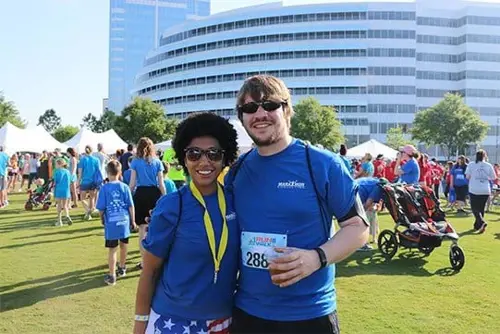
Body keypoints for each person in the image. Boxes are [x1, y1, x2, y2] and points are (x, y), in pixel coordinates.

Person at [227, 75, 368, 333]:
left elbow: (358, 227)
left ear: (286, 109)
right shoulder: (236, 171)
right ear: (242, 117)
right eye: (249, 108)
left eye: (269, 105)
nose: (260, 114)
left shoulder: (323, 164)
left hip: (309, 315)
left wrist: (317, 258)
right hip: (247, 314)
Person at [133, 113, 239, 334]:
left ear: (224, 157)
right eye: (194, 154)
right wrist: (139, 326)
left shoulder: (237, 201)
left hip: (223, 321)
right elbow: (149, 272)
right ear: (184, 159)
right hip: (174, 323)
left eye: (213, 154)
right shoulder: (171, 205)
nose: (204, 162)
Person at [96, 160, 136, 286]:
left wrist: (102, 218)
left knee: (112, 249)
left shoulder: (104, 188)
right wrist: (133, 220)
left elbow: (101, 208)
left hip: (111, 222)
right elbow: (131, 206)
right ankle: (122, 268)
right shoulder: (124, 187)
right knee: (124, 245)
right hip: (124, 221)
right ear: (120, 172)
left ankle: (112, 275)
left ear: (107, 172)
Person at [129, 137, 166, 269]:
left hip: (141, 194)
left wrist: (128, 196)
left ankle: (144, 262)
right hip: (154, 194)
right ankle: (155, 260)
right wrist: (165, 197)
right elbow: (161, 184)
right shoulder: (157, 162)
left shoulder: (135, 162)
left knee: (142, 229)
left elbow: (132, 184)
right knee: (154, 228)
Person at [465, 149, 495, 233]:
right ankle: (477, 226)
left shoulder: (471, 164)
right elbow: (493, 177)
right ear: (485, 156)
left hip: (474, 188)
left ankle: (481, 222)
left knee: (474, 208)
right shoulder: (488, 165)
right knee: (481, 208)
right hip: (485, 189)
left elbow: (467, 176)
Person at [356, 177, 386, 251]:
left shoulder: (375, 183)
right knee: (361, 221)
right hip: (356, 192)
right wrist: (362, 214)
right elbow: (369, 202)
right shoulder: (378, 188)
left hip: (354, 188)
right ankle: (360, 244)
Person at [78, 145, 101, 220]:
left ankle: (88, 210)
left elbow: (80, 172)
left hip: (85, 180)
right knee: (92, 197)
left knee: (82, 198)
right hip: (94, 181)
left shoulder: (82, 159)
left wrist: (78, 181)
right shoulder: (96, 159)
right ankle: (91, 210)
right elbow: (99, 171)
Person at [53, 158, 72, 226]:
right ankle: (67, 215)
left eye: (56, 164)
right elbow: (70, 181)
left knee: (59, 205)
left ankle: (59, 221)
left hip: (59, 189)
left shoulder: (57, 172)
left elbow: (55, 182)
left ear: (59, 164)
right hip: (66, 190)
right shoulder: (67, 171)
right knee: (65, 205)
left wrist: (53, 189)